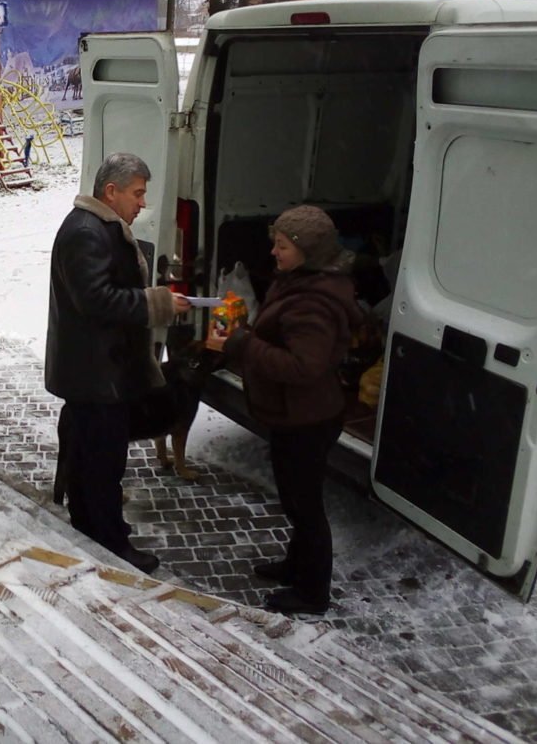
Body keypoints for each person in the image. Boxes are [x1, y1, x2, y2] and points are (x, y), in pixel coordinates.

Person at [45, 153, 191, 573]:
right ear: (111, 191)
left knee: (92, 462)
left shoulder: (97, 227)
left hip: (99, 371)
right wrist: (157, 302)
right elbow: (96, 300)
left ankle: (93, 531)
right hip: (96, 376)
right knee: (102, 467)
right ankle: (110, 544)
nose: (142, 203)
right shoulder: (87, 232)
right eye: (137, 193)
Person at [218, 205, 361, 615]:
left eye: (281, 246)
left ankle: (313, 593)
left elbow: (304, 366)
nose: (274, 253)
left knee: (306, 507)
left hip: (307, 420)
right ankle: (295, 566)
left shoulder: (313, 302)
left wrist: (245, 343)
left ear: (307, 250)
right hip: (297, 415)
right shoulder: (302, 279)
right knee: (297, 501)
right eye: (274, 244)